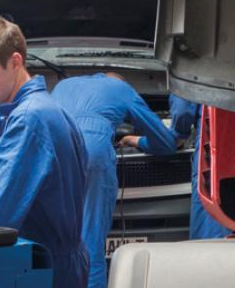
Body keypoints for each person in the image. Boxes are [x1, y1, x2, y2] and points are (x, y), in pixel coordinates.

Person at [0, 17, 89, 287]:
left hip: (43, 269)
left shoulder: (29, 119)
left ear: (15, 61)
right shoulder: (50, 108)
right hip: (60, 264)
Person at [50, 72, 175, 288]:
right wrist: (137, 140)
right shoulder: (121, 89)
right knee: (90, 240)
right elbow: (166, 142)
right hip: (93, 151)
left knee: (60, 241)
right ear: (122, 81)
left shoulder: (63, 84)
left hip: (55, 154)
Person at [168, 95, 232, 240]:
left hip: (214, 147)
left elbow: (183, 109)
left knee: (211, 220)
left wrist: (178, 134)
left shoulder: (198, 72)